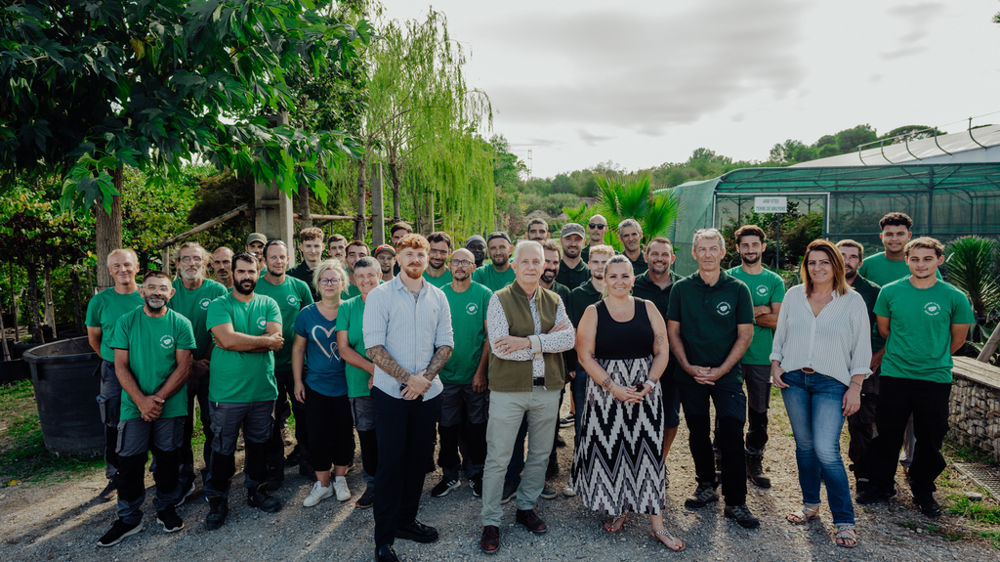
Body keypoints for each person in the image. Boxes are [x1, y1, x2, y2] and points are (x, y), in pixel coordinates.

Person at [573, 255, 684, 551]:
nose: (620, 281)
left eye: (625, 276)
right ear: (604, 279)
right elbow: (585, 356)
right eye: (614, 276)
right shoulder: (593, 311)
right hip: (605, 389)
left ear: (633, 279)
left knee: (647, 452)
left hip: (644, 389)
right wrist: (612, 387)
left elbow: (662, 349)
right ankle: (619, 509)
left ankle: (658, 526)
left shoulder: (648, 308)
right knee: (612, 453)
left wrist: (648, 383)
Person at [858, 237, 974, 518]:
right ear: (907, 261)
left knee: (930, 437)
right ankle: (881, 484)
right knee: (887, 433)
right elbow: (885, 331)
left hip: (934, 378)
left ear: (939, 260)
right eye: (915, 259)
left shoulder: (954, 296)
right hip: (896, 375)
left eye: (927, 259)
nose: (921, 264)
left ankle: (923, 488)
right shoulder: (890, 292)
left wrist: (931, 356)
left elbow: (957, 340)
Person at [770, 240, 872, 549]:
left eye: (824, 262)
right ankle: (810, 505)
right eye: (812, 262)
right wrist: (776, 364)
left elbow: (862, 349)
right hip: (795, 380)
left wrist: (855, 387)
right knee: (804, 446)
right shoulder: (793, 295)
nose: (818, 268)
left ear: (836, 266)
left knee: (826, 449)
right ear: (806, 266)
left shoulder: (852, 301)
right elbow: (782, 334)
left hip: (833, 383)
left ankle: (844, 519)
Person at [479, 241, 575, 555]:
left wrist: (526, 341)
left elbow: (569, 339)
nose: (533, 267)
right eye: (527, 262)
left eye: (538, 261)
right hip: (509, 391)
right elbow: (500, 347)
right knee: (498, 456)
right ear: (515, 264)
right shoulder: (498, 299)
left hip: (547, 389)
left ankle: (526, 507)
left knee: (540, 452)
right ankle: (491, 520)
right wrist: (546, 342)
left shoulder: (555, 299)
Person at [363, 233, 454, 562]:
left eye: (421, 254)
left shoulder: (438, 297)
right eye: (409, 254)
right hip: (391, 395)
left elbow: (446, 343)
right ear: (397, 258)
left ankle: (406, 521)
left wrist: (424, 380)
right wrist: (408, 380)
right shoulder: (380, 296)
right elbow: (374, 347)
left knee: (418, 462)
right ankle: (383, 539)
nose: (415, 259)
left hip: (428, 395)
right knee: (390, 465)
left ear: (428, 259)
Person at [96, 271, 196, 547]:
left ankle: (166, 507)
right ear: (142, 291)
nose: (157, 293)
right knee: (129, 462)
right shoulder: (126, 322)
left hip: (171, 406)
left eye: (163, 288)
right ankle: (129, 517)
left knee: (167, 459)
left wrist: (157, 400)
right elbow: (120, 366)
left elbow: (184, 365)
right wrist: (141, 401)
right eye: (151, 287)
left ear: (171, 293)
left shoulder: (180, 323)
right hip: (133, 406)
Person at [666, 228, 758, 528]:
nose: (707, 254)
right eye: (701, 249)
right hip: (690, 373)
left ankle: (736, 502)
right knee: (698, 431)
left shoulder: (738, 289)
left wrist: (721, 370)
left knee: (732, 432)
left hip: (727, 375)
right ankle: (706, 485)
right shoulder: (681, 289)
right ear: (694, 254)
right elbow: (673, 332)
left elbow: (745, 335)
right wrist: (689, 366)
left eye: (712, 249)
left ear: (722, 252)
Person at [203, 252, 284, 530]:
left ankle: (256, 490)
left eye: (251, 271)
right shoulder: (219, 304)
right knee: (223, 447)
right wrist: (259, 342)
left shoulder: (269, 303)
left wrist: (239, 342)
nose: (246, 277)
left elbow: (276, 342)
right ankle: (217, 498)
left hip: (263, 390)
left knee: (258, 445)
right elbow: (224, 339)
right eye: (241, 272)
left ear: (258, 272)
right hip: (227, 393)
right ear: (232, 273)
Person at [857, 212, 940, 474]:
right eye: (889, 234)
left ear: (909, 237)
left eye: (900, 234)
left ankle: (911, 462)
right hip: (870, 347)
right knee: (874, 409)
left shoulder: (922, 267)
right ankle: (872, 465)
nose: (894, 238)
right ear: (882, 237)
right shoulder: (868, 265)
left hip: (903, 351)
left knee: (913, 415)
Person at [726, 225, 785, 489]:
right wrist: (759, 311)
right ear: (737, 248)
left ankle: (754, 458)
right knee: (729, 410)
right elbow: (723, 318)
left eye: (755, 245)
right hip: (731, 356)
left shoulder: (774, 281)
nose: (750, 249)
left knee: (759, 412)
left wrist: (744, 313)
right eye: (745, 245)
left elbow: (779, 321)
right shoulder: (728, 277)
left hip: (761, 356)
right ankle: (724, 460)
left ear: (763, 246)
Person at [168, 243, 228, 503]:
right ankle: (184, 478)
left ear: (205, 262)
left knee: (212, 424)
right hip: (177, 370)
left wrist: (204, 362)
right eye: (185, 259)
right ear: (178, 263)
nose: (191, 264)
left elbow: (222, 330)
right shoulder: (169, 291)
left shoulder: (217, 290)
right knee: (180, 426)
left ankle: (212, 475)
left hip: (209, 367)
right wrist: (186, 365)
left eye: (196, 259)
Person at [292, 260, 355, 506]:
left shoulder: (350, 309)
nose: (329, 284)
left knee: (343, 434)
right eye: (324, 280)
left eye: (334, 279)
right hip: (316, 384)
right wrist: (298, 381)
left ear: (343, 283)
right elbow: (298, 349)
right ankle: (323, 483)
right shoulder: (307, 313)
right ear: (318, 284)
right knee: (317, 435)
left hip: (346, 384)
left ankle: (340, 479)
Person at [431, 248, 492, 498]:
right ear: (449, 264)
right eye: (455, 261)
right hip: (445, 377)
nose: (460, 266)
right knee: (446, 428)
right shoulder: (439, 295)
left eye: (465, 262)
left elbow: (490, 337)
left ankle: (476, 474)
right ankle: (449, 475)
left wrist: (481, 373)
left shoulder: (483, 295)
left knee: (476, 427)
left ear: (473, 267)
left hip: (473, 377)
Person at [255, 240, 315, 486]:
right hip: (266, 365)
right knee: (271, 420)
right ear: (265, 260)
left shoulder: (299, 287)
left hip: (299, 365)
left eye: (282, 257)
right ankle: (274, 469)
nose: (278, 261)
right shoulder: (255, 287)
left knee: (305, 416)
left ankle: (309, 462)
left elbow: (311, 322)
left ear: (288, 260)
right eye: (273, 257)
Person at [86, 248, 143, 501]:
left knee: (152, 416)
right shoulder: (100, 301)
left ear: (137, 267)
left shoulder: (148, 294)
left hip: (148, 367)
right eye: (117, 266)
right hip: (113, 370)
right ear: (110, 271)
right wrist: (113, 359)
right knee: (113, 422)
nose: (123, 270)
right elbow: (94, 339)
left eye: (127, 265)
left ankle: (156, 468)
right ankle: (116, 475)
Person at [837, 240, 884, 494]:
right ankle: (826, 465)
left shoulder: (873, 292)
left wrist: (874, 357)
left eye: (852, 256)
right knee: (826, 417)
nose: (846, 260)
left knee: (863, 421)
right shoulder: (823, 287)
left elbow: (882, 329)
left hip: (863, 365)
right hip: (830, 364)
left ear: (860, 262)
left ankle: (863, 475)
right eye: (841, 255)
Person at [630, 237, 681, 475]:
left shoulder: (682, 287)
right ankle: (637, 462)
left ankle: (659, 461)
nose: (659, 258)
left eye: (665, 254)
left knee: (670, 418)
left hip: (673, 364)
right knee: (638, 416)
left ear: (672, 258)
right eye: (654, 254)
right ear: (646, 256)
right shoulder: (634, 286)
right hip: (638, 361)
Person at [336, 256, 382, 509]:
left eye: (370, 275)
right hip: (359, 381)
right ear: (353, 279)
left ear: (379, 275)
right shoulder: (348, 307)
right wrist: (372, 369)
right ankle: (373, 484)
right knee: (368, 435)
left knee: (392, 433)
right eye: (360, 276)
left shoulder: (391, 302)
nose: (366, 281)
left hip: (392, 381)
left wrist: (383, 373)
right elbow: (344, 348)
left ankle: (396, 483)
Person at [566, 245, 614, 450]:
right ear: (589, 263)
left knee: (611, 418)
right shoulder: (578, 294)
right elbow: (573, 332)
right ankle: (581, 466)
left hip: (614, 364)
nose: (600, 266)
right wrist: (573, 365)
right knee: (583, 418)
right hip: (585, 365)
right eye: (595, 261)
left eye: (605, 262)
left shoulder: (619, 293)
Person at [288, 227, 326, 301]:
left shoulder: (332, 272)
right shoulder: (292, 275)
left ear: (323, 247)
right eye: (308, 246)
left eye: (316, 246)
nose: (313, 250)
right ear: (301, 247)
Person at [556, 223, 590, 290]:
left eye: (577, 239)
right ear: (561, 240)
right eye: (568, 239)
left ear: (584, 242)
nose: (573, 244)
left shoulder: (589, 273)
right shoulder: (553, 271)